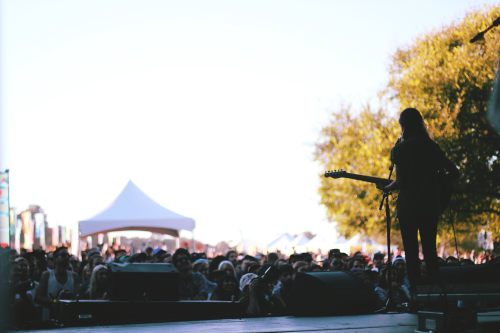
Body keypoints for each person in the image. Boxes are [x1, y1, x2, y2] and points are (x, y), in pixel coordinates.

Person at [376, 108, 459, 294]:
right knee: (430, 251)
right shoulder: (431, 146)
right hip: (430, 206)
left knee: (411, 254)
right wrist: (434, 181)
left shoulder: (399, 149)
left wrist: (386, 188)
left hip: (408, 208)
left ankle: (416, 296)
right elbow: (455, 173)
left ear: (402, 125)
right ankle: (435, 295)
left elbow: (400, 182)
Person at [35, 247, 81, 320]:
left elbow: (79, 297)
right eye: (63, 255)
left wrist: (68, 298)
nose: (67, 257)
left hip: (69, 317)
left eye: (68, 255)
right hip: (50, 317)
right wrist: (56, 301)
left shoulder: (74, 276)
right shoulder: (47, 275)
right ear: (55, 259)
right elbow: (38, 298)